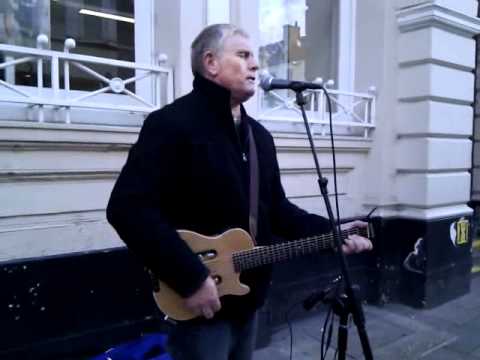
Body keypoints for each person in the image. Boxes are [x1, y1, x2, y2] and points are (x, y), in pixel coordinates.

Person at [106, 23, 373, 360]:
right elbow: (127, 209)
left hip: (249, 298)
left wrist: (332, 233)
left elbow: (277, 210)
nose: (256, 65)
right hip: (202, 304)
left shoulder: (259, 137)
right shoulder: (171, 125)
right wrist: (190, 278)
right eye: (244, 55)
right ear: (211, 63)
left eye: (255, 58)